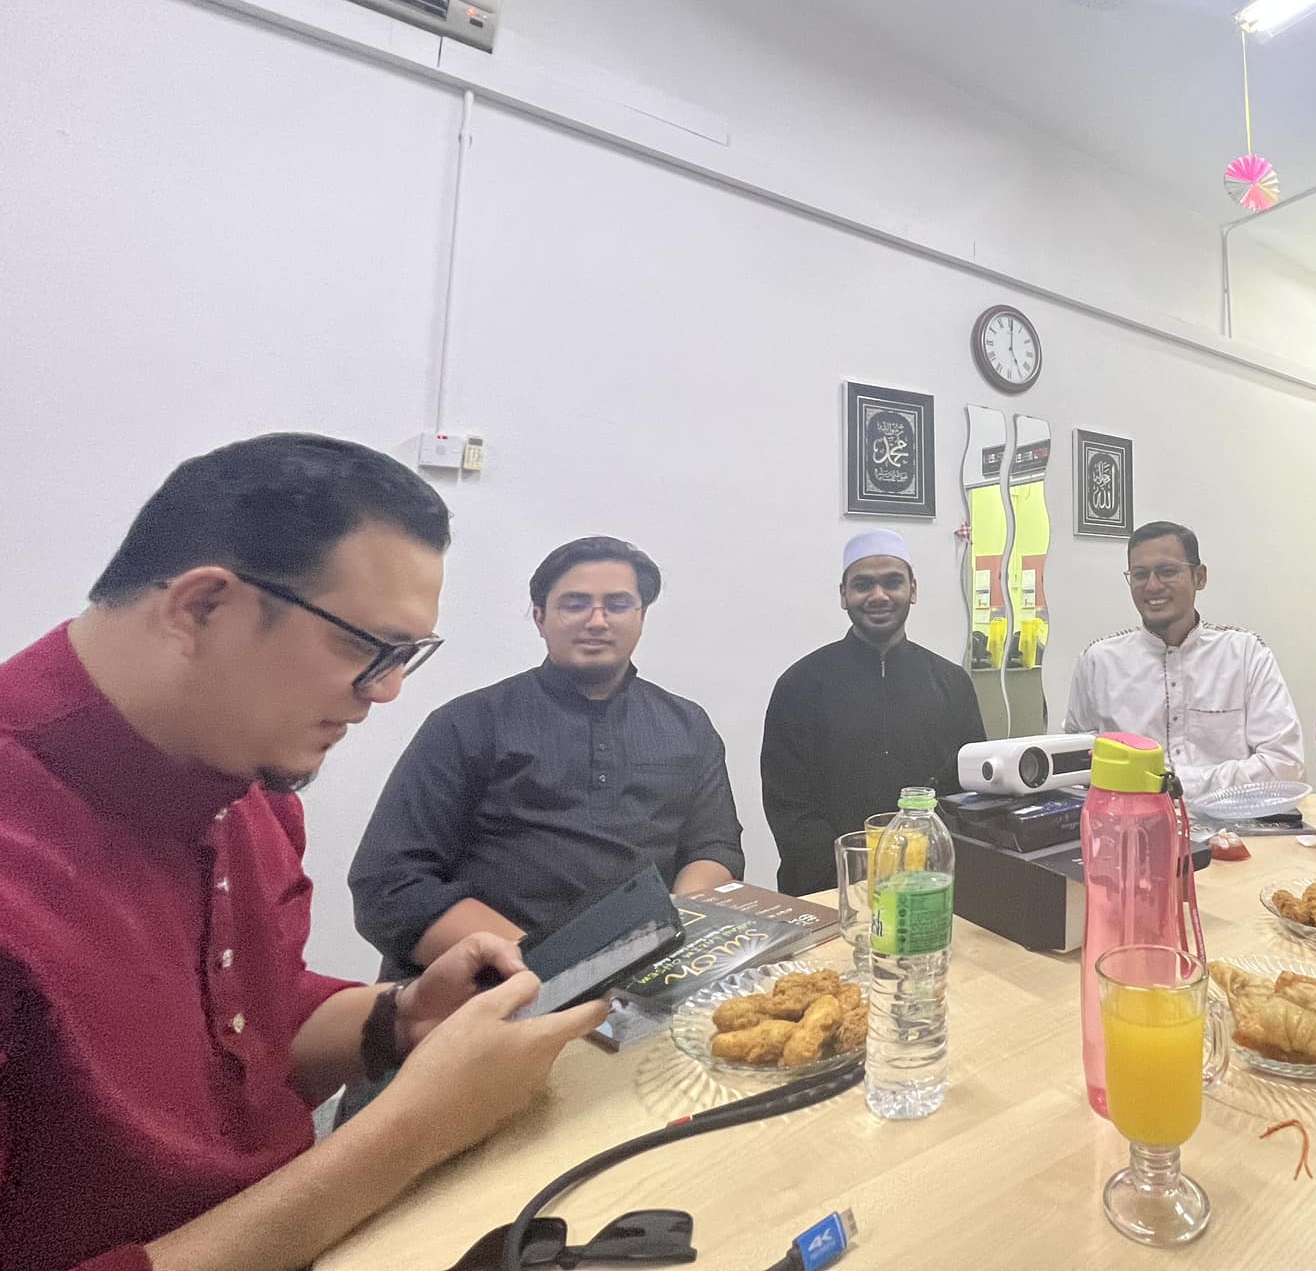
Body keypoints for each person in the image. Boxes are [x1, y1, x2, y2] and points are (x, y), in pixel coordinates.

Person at [0, 434, 607, 1271]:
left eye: (407, 656)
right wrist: (412, 1132)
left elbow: (251, 1027)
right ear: (201, 608)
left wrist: (400, 1018)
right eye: (365, 648)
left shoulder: (246, 782)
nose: (387, 691)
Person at [351, 536, 744, 977]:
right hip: (492, 982)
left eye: (617, 604)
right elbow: (390, 885)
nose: (597, 620)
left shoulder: (687, 725)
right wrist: (545, 969)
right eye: (575, 604)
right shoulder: (468, 723)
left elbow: (714, 847)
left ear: (641, 617)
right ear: (540, 617)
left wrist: (679, 934)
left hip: (647, 977)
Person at [760, 528, 985, 895]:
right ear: (843, 595)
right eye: (863, 585)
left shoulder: (952, 683)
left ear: (913, 590)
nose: (878, 596)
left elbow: (968, 793)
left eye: (892, 582)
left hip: (928, 888)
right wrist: (854, 879)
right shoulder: (799, 686)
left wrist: (930, 869)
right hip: (827, 891)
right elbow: (789, 807)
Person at [1062, 520, 1304, 805]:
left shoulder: (1245, 654)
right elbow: (1074, 769)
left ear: (1199, 577)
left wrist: (1164, 783)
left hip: (1232, 827)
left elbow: (1285, 768)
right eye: (1140, 574)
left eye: (1167, 572)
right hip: (1128, 825)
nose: (1152, 586)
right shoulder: (1098, 662)